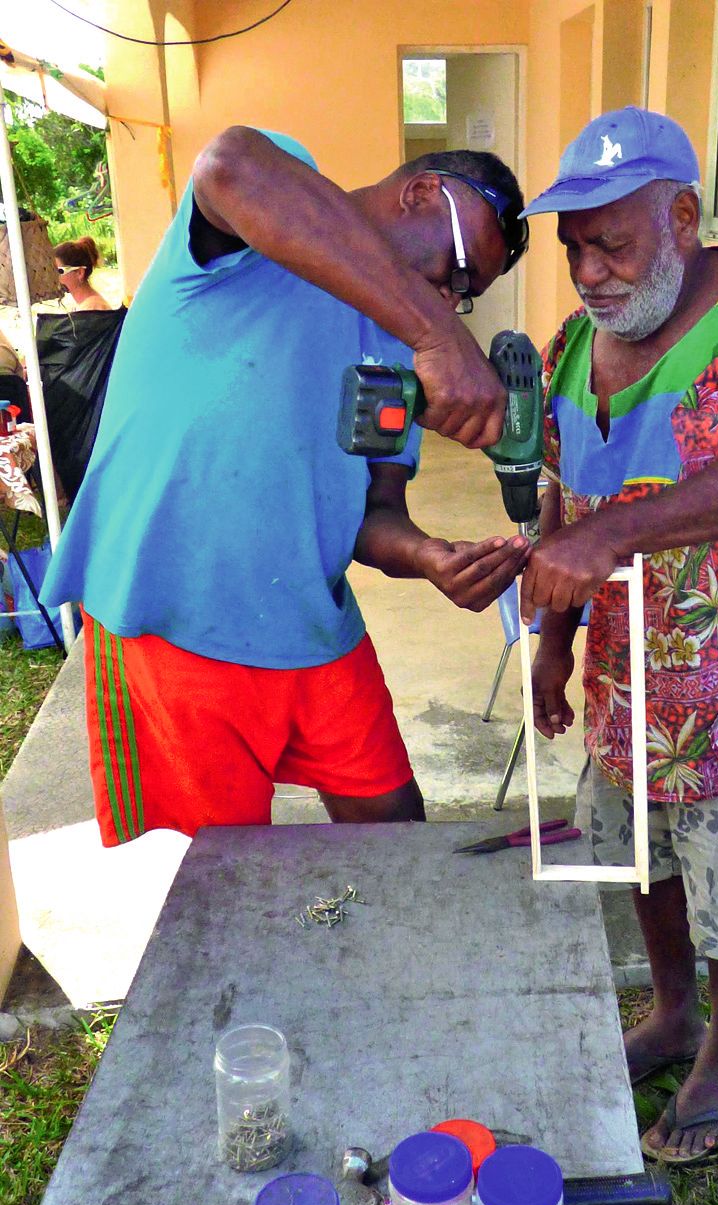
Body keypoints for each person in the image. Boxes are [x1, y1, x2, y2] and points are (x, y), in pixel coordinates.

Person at [41, 126, 531, 846]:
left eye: (464, 297)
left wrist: (428, 556)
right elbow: (230, 164)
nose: (448, 296)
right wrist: (440, 335)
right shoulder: (264, 221)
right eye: (457, 271)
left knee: (395, 835)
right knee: (204, 878)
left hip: (310, 625)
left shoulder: (396, 342)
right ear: (421, 191)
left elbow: (375, 512)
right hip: (174, 618)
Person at [519, 107, 718, 1163]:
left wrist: (609, 537)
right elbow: (562, 504)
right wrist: (555, 644)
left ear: (684, 216)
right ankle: (673, 1011)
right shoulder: (571, 349)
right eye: (574, 249)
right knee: (637, 855)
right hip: (621, 673)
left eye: (613, 242)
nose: (591, 271)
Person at [53, 236, 111, 311]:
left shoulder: (91, 309)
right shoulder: (87, 305)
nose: (54, 277)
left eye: (59, 271)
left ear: (80, 273)